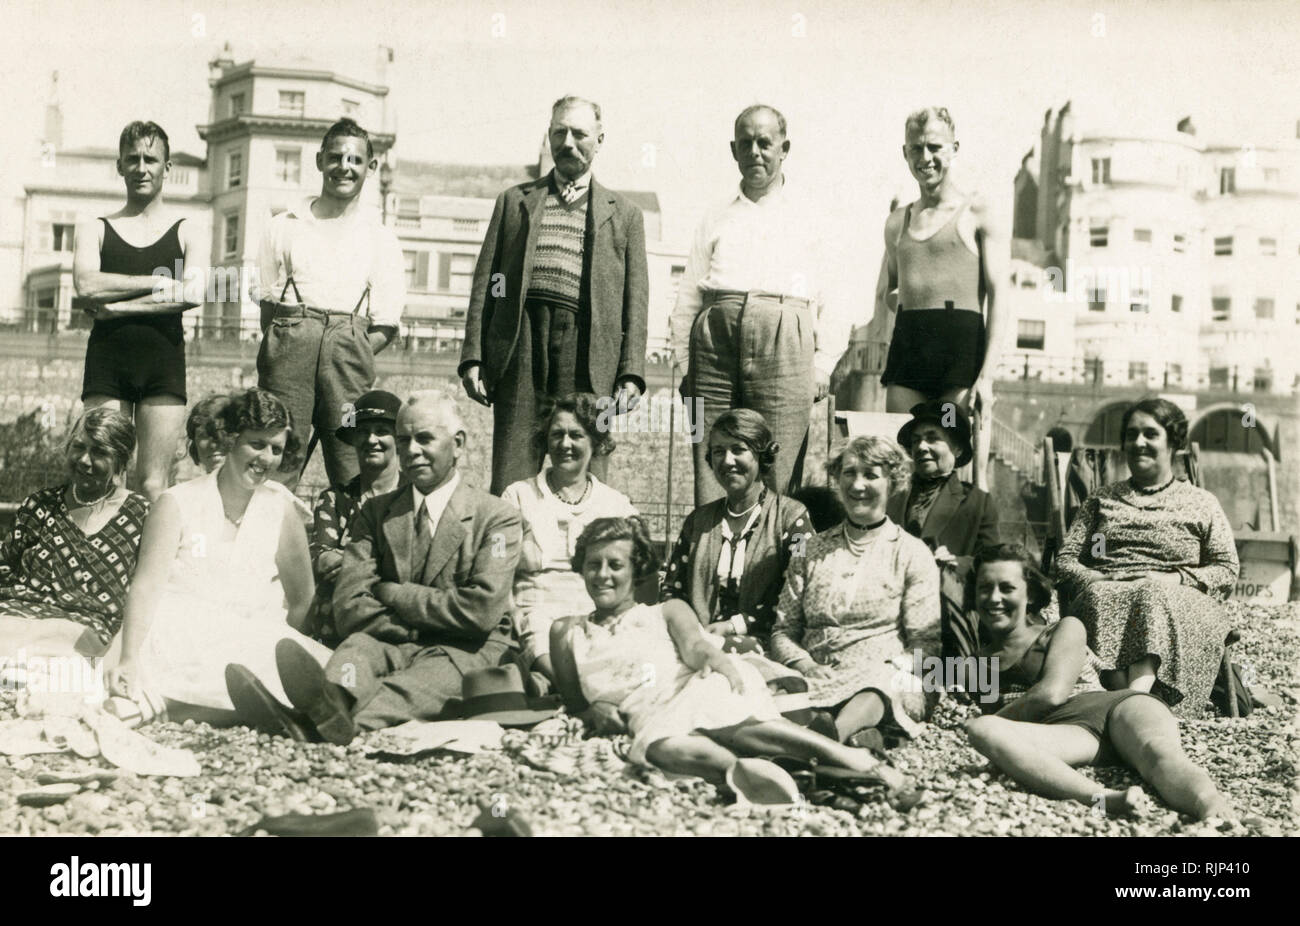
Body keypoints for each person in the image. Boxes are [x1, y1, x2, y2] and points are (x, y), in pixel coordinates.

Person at [549, 517, 912, 801]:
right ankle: (775, 777)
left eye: (615, 564)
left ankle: (852, 762)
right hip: (649, 719)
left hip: (695, 684)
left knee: (725, 717)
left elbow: (695, 647)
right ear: (580, 568)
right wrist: (593, 710)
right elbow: (576, 705)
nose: (602, 575)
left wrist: (716, 660)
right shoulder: (566, 633)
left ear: (636, 569)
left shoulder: (665, 610)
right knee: (666, 749)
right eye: (593, 564)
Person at [263, 391, 523, 744]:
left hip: (466, 653)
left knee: (411, 687)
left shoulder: (497, 518)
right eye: (404, 440)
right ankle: (331, 703)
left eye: (425, 438)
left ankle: (320, 723)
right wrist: (420, 629)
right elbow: (351, 606)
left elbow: (480, 611)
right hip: (388, 642)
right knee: (355, 654)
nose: (412, 450)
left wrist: (396, 593)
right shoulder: (376, 513)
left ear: (458, 443)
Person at [459, 96, 649, 494]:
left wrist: (630, 372)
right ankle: (510, 551)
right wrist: (474, 356)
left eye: (580, 134)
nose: (568, 142)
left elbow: (635, 299)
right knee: (511, 473)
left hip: (587, 351)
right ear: (548, 136)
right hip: (521, 344)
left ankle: (584, 552)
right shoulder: (514, 202)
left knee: (586, 474)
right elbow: (488, 283)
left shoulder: (626, 214)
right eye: (559, 132)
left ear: (599, 140)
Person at [964, 544, 1236, 820]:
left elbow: (1051, 695)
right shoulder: (974, 662)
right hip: (1069, 734)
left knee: (1159, 753)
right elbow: (934, 681)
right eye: (984, 588)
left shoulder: (1063, 628)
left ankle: (1213, 808)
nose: (994, 598)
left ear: (1030, 593)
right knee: (983, 730)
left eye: (1007, 588)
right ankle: (1103, 800)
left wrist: (996, 719)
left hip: (1115, 709)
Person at [107, 389, 330, 723]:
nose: (266, 458)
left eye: (276, 449)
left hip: (249, 638)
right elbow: (145, 587)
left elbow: (302, 601)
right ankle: (188, 703)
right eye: (256, 444)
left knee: (333, 673)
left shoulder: (283, 510)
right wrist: (128, 658)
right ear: (231, 440)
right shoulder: (177, 502)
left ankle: (167, 704)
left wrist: (273, 638)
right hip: (179, 632)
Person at [670, 105, 852, 506]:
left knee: (777, 468)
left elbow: (837, 298)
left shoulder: (812, 216)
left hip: (785, 345)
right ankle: (710, 562)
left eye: (764, 143)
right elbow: (687, 298)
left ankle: (769, 565)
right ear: (733, 150)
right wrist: (687, 365)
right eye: (745, 143)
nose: (755, 151)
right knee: (714, 457)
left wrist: (822, 365)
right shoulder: (715, 215)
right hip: (714, 348)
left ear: (784, 148)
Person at [1054, 399, 1238, 719]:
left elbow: (1226, 569)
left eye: (1150, 434)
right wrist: (1099, 577)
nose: (1138, 443)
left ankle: (1131, 700)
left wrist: (1174, 578)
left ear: (1174, 443)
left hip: (1180, 601)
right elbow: (1067, 559)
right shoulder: (1102, 500)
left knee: (1150, 593)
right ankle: (1133, 703)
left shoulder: (1201, 503)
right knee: (1107, 594)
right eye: (1131, 434)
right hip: (1109, 590)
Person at [253, 117, 405, 490]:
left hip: (348, 359)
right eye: (335, 158)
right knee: (277, 455)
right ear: (320, 161)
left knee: (354, 461)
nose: (344, 168)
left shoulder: (381, 240)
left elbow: (385, 324)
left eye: (354, 161)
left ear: (370, 168)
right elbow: (268, 306)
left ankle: (357, 544)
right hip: (289, 352)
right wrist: (296, 340)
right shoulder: (283, 226)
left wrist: (346, 346)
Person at [770, 436, 940, 744]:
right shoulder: (811, 550)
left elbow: (924, 643)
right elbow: (783, 631)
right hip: (816, 674)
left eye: (871, 475)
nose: (857, 485)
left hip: (880, 679)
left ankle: (824, 742)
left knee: (881, 683)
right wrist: (806, 665)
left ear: (893, 482)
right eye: (849, 473)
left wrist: (891, 666)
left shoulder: (912, 553)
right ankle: (853, 744)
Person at [72, 121, 203, 501]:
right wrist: (158, 282)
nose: (141, 168)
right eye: (133, 159)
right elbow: (86, 286)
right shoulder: (95, 228)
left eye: (151, 159)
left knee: (153, 484)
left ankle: (150, 561)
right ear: (120, 166)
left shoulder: (187, 229)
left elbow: (194, 291)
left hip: (163, 363)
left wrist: (118, 307)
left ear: (167, 167)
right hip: (107, 364)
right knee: (103, 475)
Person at [874, 107, 1006, 482]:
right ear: (905, 153)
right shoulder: (897, 221)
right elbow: (890, 289)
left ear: (954, 149)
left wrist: (988, 376)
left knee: (956, 460)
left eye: (934, 147)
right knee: (904, 464)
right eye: (916, 149)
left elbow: (1000, 296)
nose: (925, 158)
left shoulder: (977, 211)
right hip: (911, 357)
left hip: (958, 358)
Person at [501, 393, 637, 678]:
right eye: (557, 435)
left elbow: (634, 577)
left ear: (595, 442)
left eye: (576, 435)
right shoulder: (517, 496)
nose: (565, 444)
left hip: (598, 614)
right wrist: (511, 613)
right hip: (535, 616)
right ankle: (568, 686)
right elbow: (497, 568)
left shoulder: (616, 504)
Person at [0, 408, 149, 659]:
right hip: (13, 625)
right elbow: (4, 570)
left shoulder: (141, 515)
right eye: (78, 447)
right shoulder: (39, 506)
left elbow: (148, 594)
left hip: (82, 641)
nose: (84, 460)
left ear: (121, 461)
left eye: (99, 452)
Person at [660, 409, 813, 653]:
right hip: (699, 642)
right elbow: (671, 591)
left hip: (768, 642)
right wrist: (689, 630)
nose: (727, 461)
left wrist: (734, 625)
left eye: (738, 450)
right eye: (719, 451)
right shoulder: (697, 522)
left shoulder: (793, 517)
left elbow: (801, 588)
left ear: (761, 455)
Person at [887, 399, 999, 657]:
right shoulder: (891, 497)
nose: (921, 447)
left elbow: (993, 563)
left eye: (932, 438)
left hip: (947, 606)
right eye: (915, 440)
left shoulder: (978, 503)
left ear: (957, 449)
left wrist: (957, 563)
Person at [307, 389, 403, 646]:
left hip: (397, 625)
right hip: (336, 624)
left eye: (382, 431)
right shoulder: (335, 499)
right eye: (362, 431)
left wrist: (348, 558)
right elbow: (322, 560)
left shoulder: (413, 497)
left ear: (399, 439)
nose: (371, 439)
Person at [183, 393, 232, 475]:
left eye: (222, 433)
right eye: (203, 435)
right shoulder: (186, 488)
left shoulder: (259, 487)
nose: (213, 445)